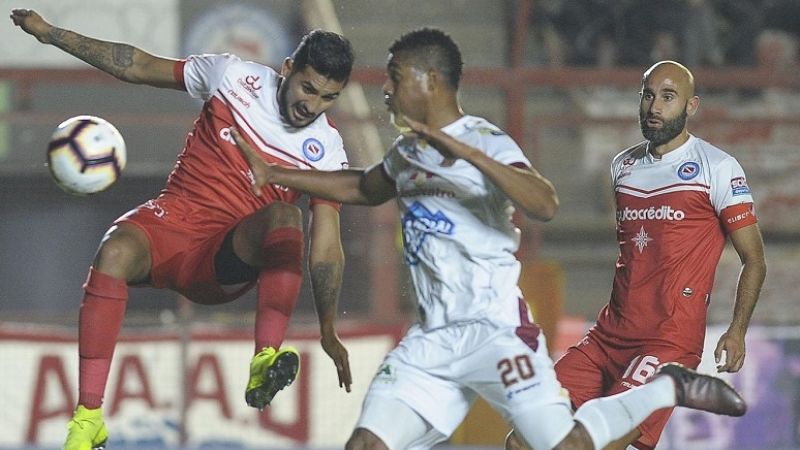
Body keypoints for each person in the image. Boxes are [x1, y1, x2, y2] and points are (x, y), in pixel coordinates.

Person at [231, 29, 747, 450]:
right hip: (432, 339)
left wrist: (469, 157)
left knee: (565, 448)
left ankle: (665, 386)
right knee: (367, 445)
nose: (385, 91)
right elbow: (363, 186)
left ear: (427, 81)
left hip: (496, 332)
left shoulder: (484, 139)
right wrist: (274, 171)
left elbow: (543, 204)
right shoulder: (410, 152)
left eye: (394, 79)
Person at [10, 8, 355, 450]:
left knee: (285, 216)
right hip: (172, 223)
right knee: (113, 250)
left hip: (225, 257)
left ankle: (265, 358)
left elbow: (327, 244)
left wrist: (328, 325)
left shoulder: (326, 149)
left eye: (329, 97)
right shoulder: (232, 76)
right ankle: (88, 418)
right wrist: (51, 34)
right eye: (308, 87)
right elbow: (137, 65)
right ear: (287, 68)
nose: (312, 105)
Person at [507, 60, 767, 450]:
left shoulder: (718, 168)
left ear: (690, 106)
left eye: (667, 97)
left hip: (666, 341)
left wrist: (737, 330)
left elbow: (754, 259)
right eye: (648, 95)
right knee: (523, 439)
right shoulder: (623, 166)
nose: (654, 107)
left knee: (587, 443)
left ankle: (671, 385)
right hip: (607, 337)